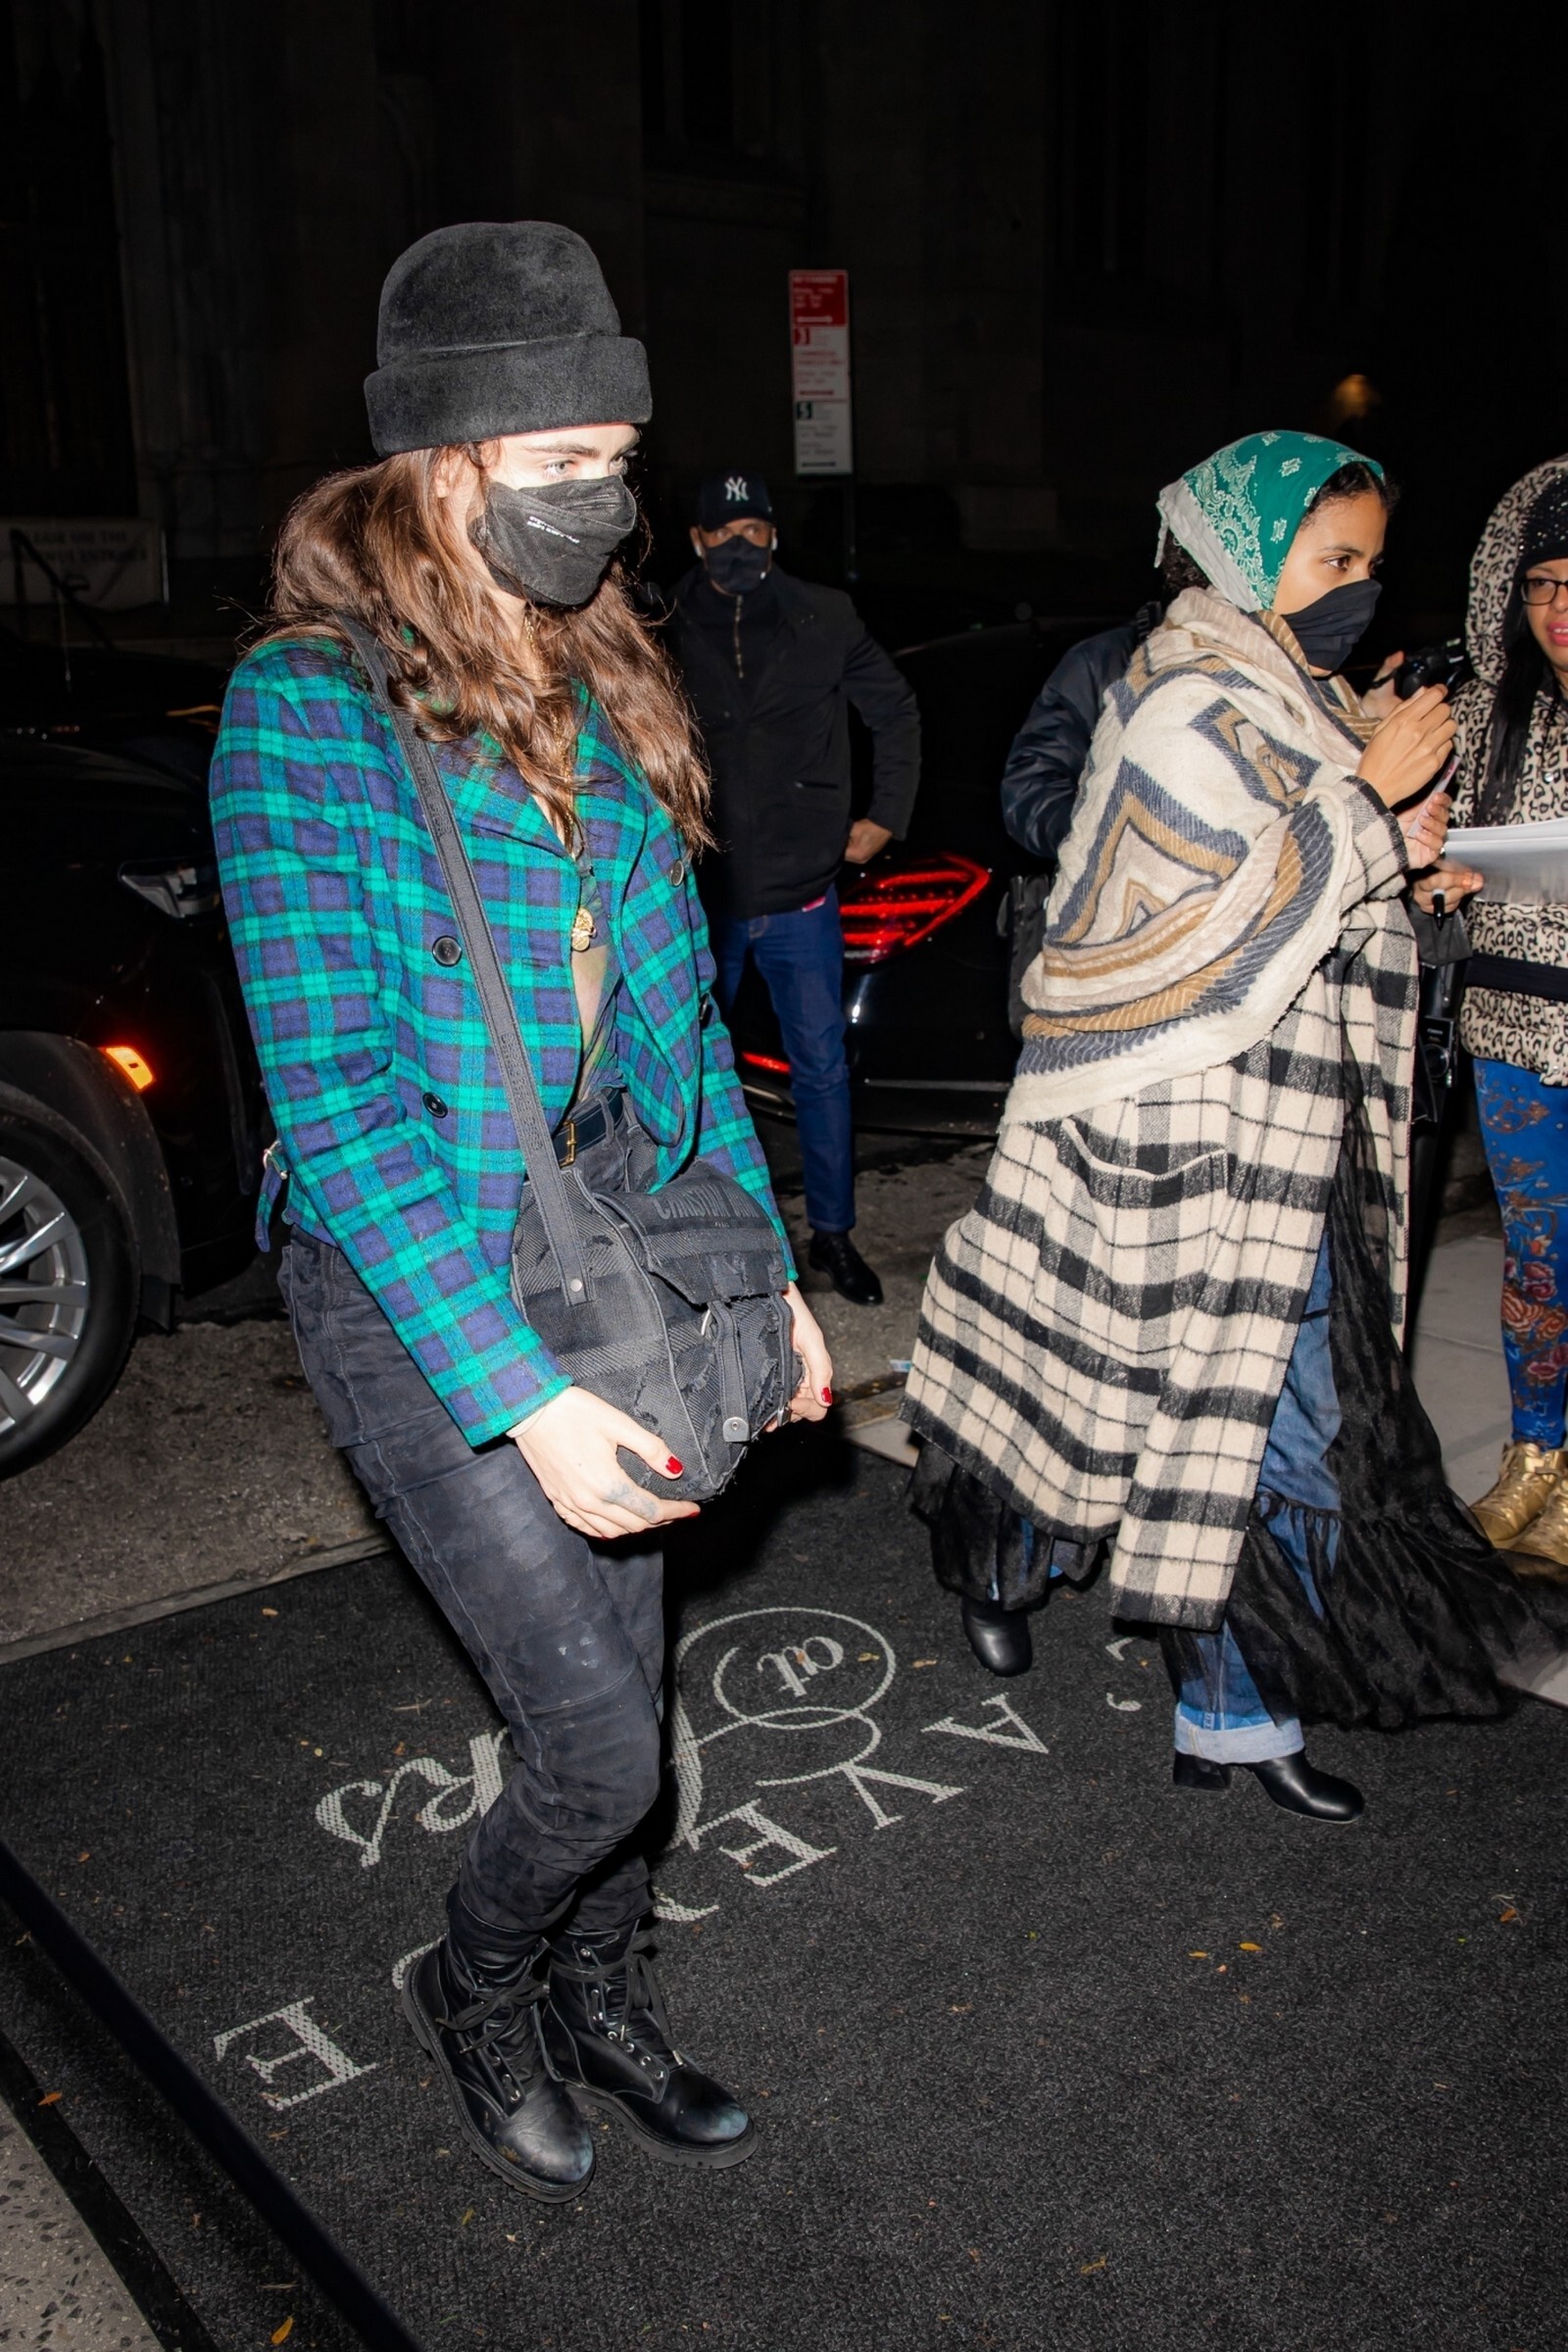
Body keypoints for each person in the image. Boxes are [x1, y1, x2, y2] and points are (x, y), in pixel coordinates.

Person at [210, 221, 831, 2202]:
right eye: (560, 459)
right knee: (593, 1737)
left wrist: (772, 1281)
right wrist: (518, 1397)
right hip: (410, 1280)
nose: (604, 500)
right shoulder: (305, 711)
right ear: (441, 461)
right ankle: (474, 1985)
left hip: (608, 1246)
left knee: (629, 1688)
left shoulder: (601, 675)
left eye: (616, 459)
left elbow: (678, 1035)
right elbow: (336, 1107)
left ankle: (605, 1988)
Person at [903, 429, 1560, 1823]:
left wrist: (1412, 864)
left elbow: (1314, 881)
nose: (1358, 589)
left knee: (1264, 1431)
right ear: (1245, 559)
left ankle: (1232, 1718)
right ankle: (1002, 1564)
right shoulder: (1181, 708)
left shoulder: (1302, 698)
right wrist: (1369, 805)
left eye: (1371, 562)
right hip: (1154, 1146)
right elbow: (1195, 939)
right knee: (1083, 1405)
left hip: (1296, 1144)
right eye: (1332, 559)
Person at [666, 471, 920, 1306]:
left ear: (774, 537)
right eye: (724, 533)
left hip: (802, 892)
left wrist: (884, 816)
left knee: (821, 1071)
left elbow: (895, 711)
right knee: (685, 1071)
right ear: (698, 541)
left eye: (755, 531)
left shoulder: (824, 615)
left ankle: (833, 1235)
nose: (740, 547)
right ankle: (694, 1241)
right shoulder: (661, 622)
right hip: (703, 895)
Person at [1451, 460, 1568, 1573]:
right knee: (1537, 1261)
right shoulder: (1489, 715)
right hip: (1512, 1029)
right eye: (1541, 584)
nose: (1559, 609)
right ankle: (1535, 1455)